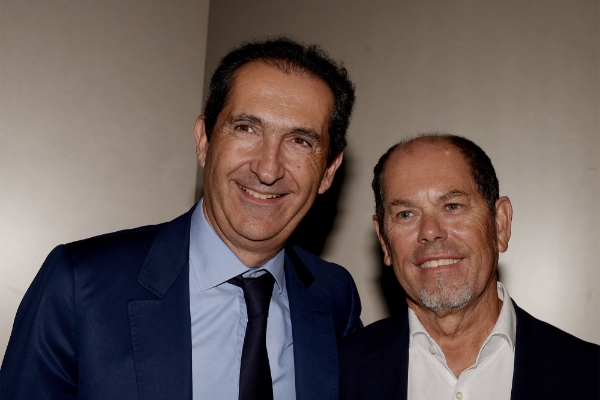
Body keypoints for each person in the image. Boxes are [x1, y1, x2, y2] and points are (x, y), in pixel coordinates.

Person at [1, 38, 362, 400]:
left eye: (300, 141)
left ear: (329, 170)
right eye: (246, 128)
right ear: (204, 140)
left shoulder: (334, 298)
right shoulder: (80, 285)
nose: (268, 169)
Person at [339, 134, 599, 399]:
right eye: (406, 214)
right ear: (384, 240)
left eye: (453, 206)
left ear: (500, 225)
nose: (429, 231)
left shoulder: (590, 375)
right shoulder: (337, 374)